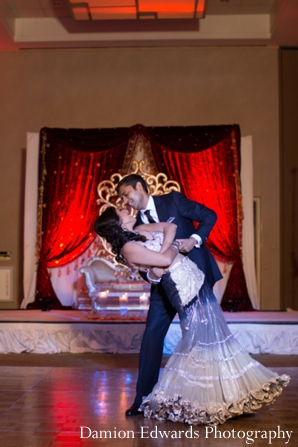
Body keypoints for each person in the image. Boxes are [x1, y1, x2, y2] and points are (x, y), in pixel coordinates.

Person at [93, 207, 289, 425]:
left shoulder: (140, 229)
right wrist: (174, 247)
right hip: (181, 287)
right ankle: (199, 401)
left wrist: (166, 251)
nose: (125, 208)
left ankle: (231, 396)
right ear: (117, 223)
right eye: (120, 211)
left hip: (195, 278)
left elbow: (171, 227)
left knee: (214, 336)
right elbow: (165, 259)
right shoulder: (129, 248)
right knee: (199, 340)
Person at [116, 174, 222, 416]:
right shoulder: (134, 225)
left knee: (201, 335)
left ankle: (216, 395)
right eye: (121, 197)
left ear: (139, 187)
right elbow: (142, 262)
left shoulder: (173, 200)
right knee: (152, 336)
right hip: (163, 287)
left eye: (126, 193)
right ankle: (142, 400)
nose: (124, 200)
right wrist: (152, 277)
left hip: (194, 281)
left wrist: (194, 240)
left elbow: (209, 215)